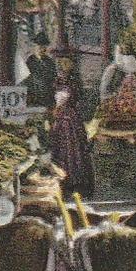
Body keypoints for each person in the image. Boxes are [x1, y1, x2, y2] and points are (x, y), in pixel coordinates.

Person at [49, 51, 94, 197]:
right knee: (62, 146)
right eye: (62, 62)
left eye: (68, 62)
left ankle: (76, 181)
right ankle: (64, 181)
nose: (65, 65)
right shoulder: (58, 79)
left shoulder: (73, 80)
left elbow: (72, 98)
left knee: (74, 148)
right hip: (61, 117)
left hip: (71, 117)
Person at [24, 32, 57, 109]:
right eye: (40, 47)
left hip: (48, 97)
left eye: (44, 47)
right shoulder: (30, 61)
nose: (43, 50)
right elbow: (27, 79)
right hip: (35, 96)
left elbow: (53, 76)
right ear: (35, 47)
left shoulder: (49, 61)